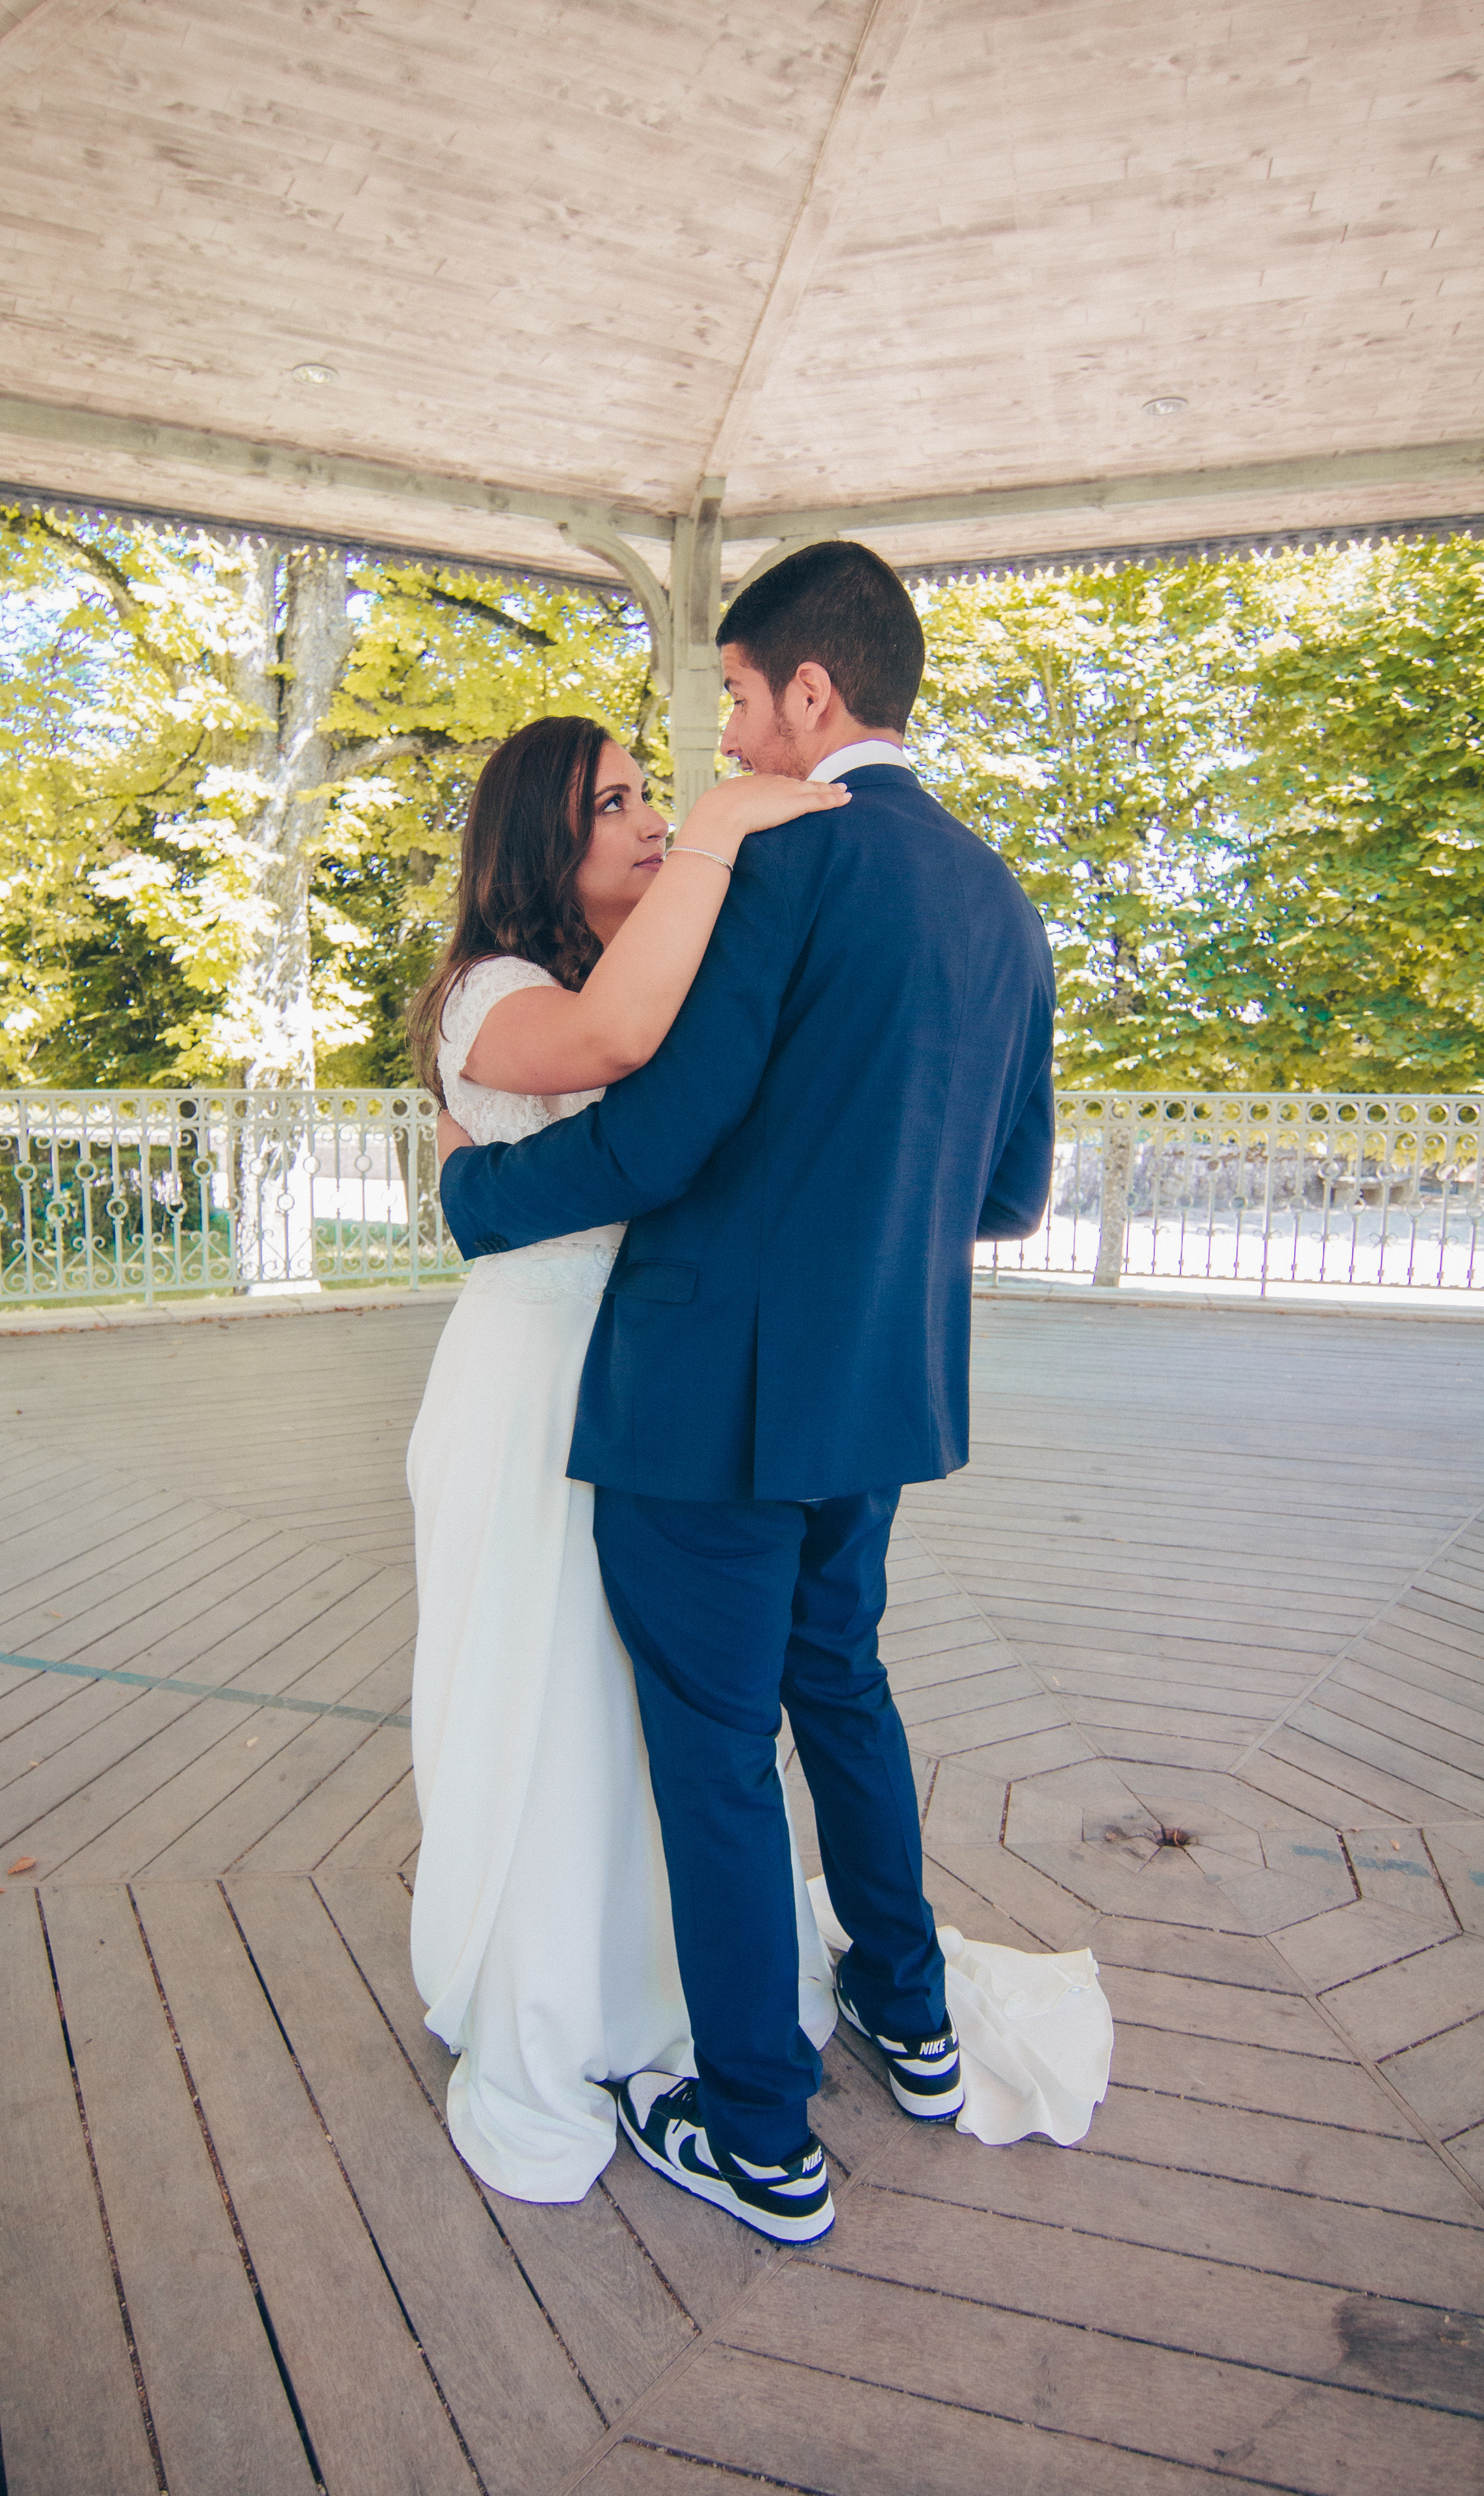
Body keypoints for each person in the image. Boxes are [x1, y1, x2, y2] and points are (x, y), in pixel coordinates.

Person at [436, 540, 1080, 2247]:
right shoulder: (1001, 904)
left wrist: (471, 1199)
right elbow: (1010, 1193)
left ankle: (760, 2139)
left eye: (731, 694)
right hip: (879, 1397)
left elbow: (661, 1129)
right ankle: (917, 2023)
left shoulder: (780, 863)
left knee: (719, 1759)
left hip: (708, 1402)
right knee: (844, 1695)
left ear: (810, 691)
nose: (722, 736)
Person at [406, 714, 850, 2205]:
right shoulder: (499, 989)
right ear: (542, 839)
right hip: (534, 1383)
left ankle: (648, 1982)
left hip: (648, 1380)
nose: (651, 816)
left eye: (652, 791)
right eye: (616, 802)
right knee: (544, 1694)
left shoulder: (623, 968)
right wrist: (727, 826)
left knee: (634, 1704)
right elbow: (609, 1055)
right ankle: (549, 1993)